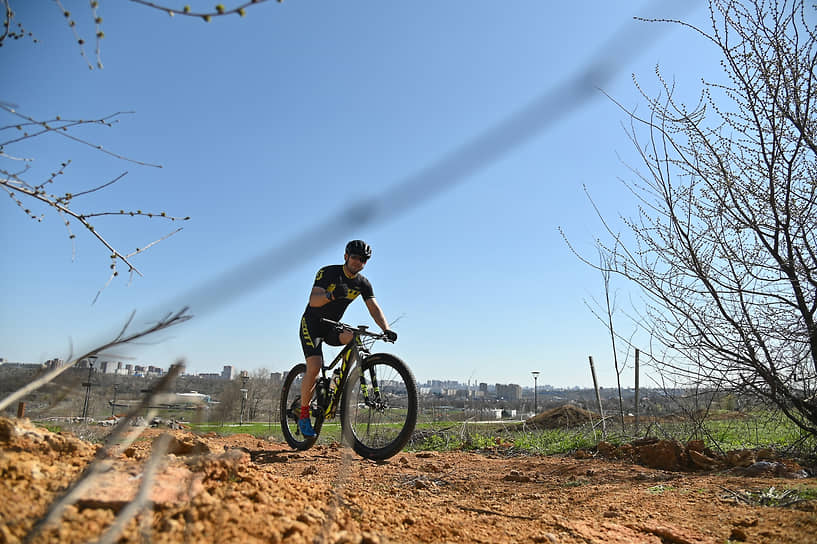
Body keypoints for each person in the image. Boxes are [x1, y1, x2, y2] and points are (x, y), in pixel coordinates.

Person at [297, 239, 397, 437]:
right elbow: (313, 300)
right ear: (346, 257)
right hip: (312, 323)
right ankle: (303, 414)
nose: (358, 262)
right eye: (355, 258)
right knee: (315, 367)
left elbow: (373, 307)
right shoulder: (328, 272)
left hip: (332, 326)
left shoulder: (363, 283)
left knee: (353, 338)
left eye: (363, 260)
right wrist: (331, 296)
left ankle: (335, 382)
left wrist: (386, 328)